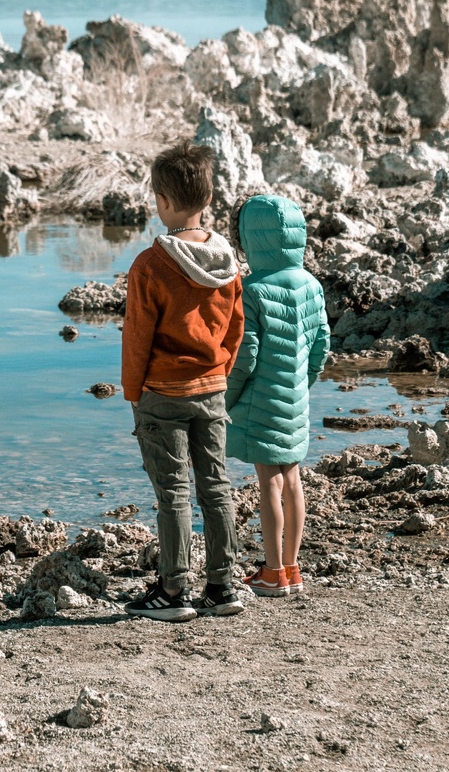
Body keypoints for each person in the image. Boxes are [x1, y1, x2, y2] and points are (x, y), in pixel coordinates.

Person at [121, 142, 246, 622]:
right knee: (216, 485)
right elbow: (236, 326)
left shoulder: (151, 265)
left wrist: (134, 393)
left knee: (172, 491)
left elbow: (137, 338)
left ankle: (174, 592)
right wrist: (219, 372)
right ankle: (222, 585)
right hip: (211, 389)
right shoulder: (226, 261)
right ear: (208, 199)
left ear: (164, 203)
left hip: (163, 394)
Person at [225, 194, 330, 598]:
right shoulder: (311, 284)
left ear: (249, 239)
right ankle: (291, 567)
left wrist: (225, 400)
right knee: (292, 480)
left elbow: (245, 355)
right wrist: (302, 386)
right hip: (295, 398)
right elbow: (321, 345)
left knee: (268, 481)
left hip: (259, 401)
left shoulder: (250, 289)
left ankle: (271, 573)